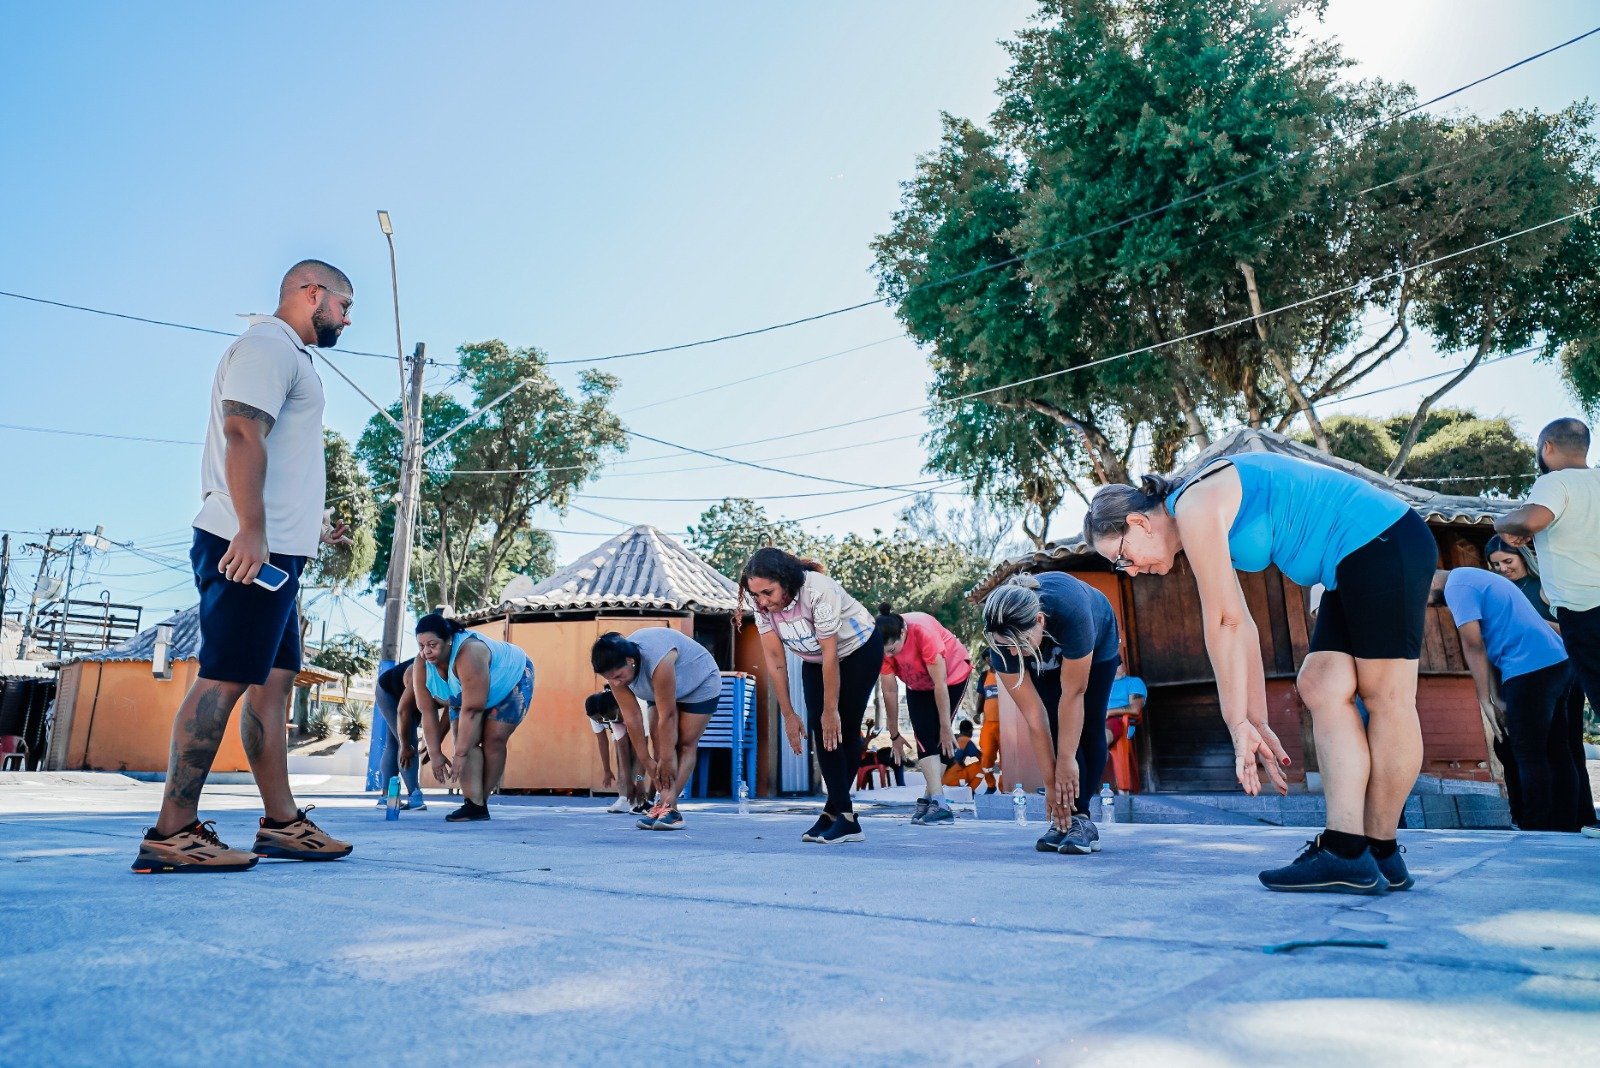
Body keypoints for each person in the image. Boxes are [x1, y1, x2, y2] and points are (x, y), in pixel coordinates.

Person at [1084, 451, 1435, 894]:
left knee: (1387, 698)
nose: (1130, 572)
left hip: (1380, 541)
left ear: (1138, 523)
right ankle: (1346, 849)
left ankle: (1379, 849)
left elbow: (1223, 622)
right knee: (1322, 683)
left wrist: (1235, 726)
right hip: (1350, 562)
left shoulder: (1193, 505)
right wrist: (1255, 720)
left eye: (1121, 558)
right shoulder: (1196, 518)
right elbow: (1244, 628)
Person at [133, 260, 356, 874]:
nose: (346, 318)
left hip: (279, 551)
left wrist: (308, 527)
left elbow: (278, 453)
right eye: (343, 304)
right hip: (248, 549)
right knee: (224, 677)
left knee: (275, 684)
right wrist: (253, 529)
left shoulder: (289, 355)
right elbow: (242, 433)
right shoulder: (266, 345)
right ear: (312, 294)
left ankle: (281, 823)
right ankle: (172, 831)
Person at [1496, 417, 1600, 837]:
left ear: (1549, 447)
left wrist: (1506, 525)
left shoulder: (1555, 481)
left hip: (1584, 610)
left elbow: (1531, 519)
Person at [741, 547, 884, 845]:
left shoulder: (817, 590)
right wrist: (789, 714)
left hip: (859, 650)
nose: (763, 602)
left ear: (787, 581)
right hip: (815, 659)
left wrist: (831, 708)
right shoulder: (761, 604)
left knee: (838, 725)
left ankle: (845, 818)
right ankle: (834, 813)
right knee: (822, 732)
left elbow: (831, 651)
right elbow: (776, 662)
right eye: (756, 595)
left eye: (768, 592)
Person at [1431, 568, 1592, 831]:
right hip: (1556, 661)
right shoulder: (1471, 577)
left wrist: (1485, 700)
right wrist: (1496, 696)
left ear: (1428, 580)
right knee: (1556, 748)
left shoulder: (1456, 587)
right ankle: (1566, 824)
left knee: (1527, 752)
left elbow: (1473, 645)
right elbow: (1489, 644)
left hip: (1531, 667)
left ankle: (1537, 827)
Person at [982, 572, 1121, 857]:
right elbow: (1035, 717)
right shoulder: (1004, 646)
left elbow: (1074, 695)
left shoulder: (1071, 611)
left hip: (1097, 636)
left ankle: (1080, 820)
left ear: (1040, 621)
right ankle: (1065, 820)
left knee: (1088, 725)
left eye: (1017, 644)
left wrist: (1067, 761)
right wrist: (1050, 784)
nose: (1011, 651)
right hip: (1045, 645)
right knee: (1056, 725)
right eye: (1004, 645)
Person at [591, 629, 722, 831]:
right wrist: (648, 761)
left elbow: (667, 715)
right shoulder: (615, 671)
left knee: (683, 745)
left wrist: (668, 759)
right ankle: (663, 806)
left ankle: (670, 808)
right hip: (657, 691)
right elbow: (633, 718)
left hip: (699, 683)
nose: (616, 683)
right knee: (660, 746)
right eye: (611, 679)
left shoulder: (658, 660)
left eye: (618, 676)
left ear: (630, 660)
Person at [412, 613, 535, 823]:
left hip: (511, 680)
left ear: (448, 639)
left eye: (432, 644)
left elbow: (473, 710)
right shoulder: (422, 664)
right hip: (466, 696)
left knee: (492, 740)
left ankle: (479, 804)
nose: (426, 651)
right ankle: (473, 803)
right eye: (421, 646)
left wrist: (459, 755)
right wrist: (435, 753)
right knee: (464, 741)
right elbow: (427, 711)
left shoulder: (469, 652)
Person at [875, 603, 973, 825]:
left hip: (951, 678)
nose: (889, 655)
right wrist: (894, 734)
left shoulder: (922, 631)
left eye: (892, 650)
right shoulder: (881, 646)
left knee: (940, 738)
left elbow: (940, 684)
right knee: (922, 736)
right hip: (917, 684)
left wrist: (946, 727)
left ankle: (938, 803)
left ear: (902, 632)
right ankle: (934, 800)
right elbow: (889, 690)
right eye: (885, 652)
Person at [584, 689, 651, 814]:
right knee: (622, 759)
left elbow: (642, 755)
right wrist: (627, 782)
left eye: (602, 720)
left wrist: (640, 781)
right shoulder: (613, 718)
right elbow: (622, 753)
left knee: (638, 754)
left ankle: (646, 800)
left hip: (640, 720)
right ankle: (624, 798)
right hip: (622, 717)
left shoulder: (639, 709)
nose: (600, 723)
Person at [373, 657, 426, 811]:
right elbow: (403, 710)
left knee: (396, 742)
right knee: (407, 743)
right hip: (389, 693)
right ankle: (413, 796)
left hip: (409, 697)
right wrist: (405, 745)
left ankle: (386, 797)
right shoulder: (424, 666)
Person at [1485, 535, 1556, 625]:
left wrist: (1535, 622)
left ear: (1522, 557)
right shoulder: (1496, 592)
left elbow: (1572, 630)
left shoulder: (1545, 584)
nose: (1503, 568)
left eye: (1508, 561)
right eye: (1496, 564)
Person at [942, 720, 985, 790]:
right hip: (952, 778)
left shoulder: (953, 737)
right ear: (971, 730)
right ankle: (970, 791)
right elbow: (982, 758)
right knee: (983, 766)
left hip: (941, 779)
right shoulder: (966, 740)